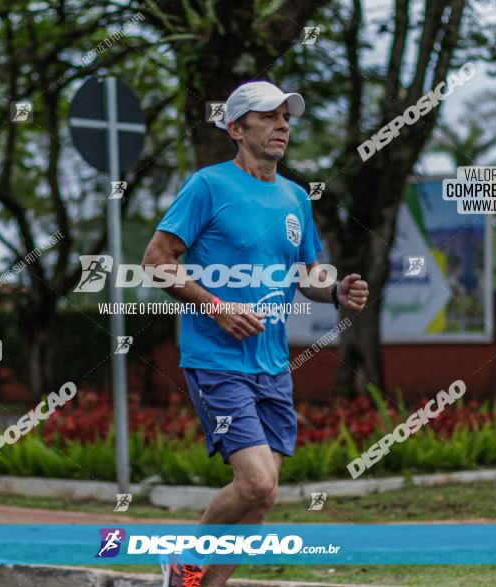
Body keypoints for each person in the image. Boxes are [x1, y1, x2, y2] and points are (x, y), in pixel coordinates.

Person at [141, 81, 368, 587]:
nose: (282, 125)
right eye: (268, 116)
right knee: (256, 481)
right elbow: (155, 262)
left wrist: (337, 291)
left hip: (273, 365)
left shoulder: (295, 198)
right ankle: (184, 558)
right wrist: (216, 307)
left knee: (263, 500)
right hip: (217, 359)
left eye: (286, 117)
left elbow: (308, 274)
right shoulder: (208, 186)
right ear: (236, 128)